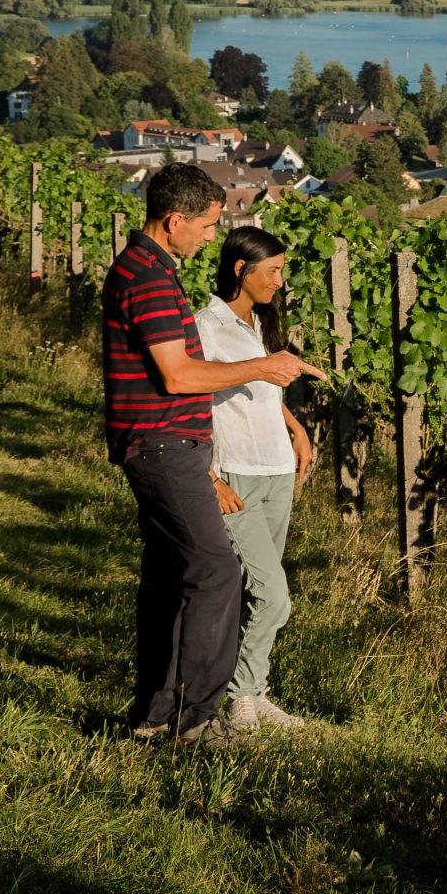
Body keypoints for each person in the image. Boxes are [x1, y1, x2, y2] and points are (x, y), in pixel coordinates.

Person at [103, 164, 318, 746]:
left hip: (168, 443)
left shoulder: (151, 270)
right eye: (206, 225)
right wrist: (266, 368)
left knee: (173, 576)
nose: (210, 237)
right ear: (176, 221)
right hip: (162, 443)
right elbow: (177, 376)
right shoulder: (148, 279)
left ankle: (153, 716)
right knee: (216, 572)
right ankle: (194, 719)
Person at [196, 227, 316, 731]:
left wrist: (297, 429)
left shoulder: (261, 323)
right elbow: (189, 398)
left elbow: (268, 389)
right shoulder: (207, 325)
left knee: (260, 592)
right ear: (241, 270)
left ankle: (254, 690)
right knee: (272, 594)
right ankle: (240, 698)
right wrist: (209, 474)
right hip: (237, 472)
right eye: (273, 270)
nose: (279, 281)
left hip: (276, 471)